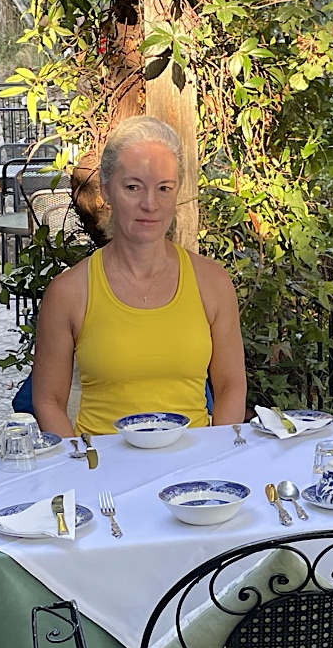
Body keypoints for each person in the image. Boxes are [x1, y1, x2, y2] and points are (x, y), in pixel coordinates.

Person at [30, 116, 247, 437]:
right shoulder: (70, 292)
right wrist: (77, 467)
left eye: (164, 188)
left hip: (191, 475)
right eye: (133, 187)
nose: (150, 204)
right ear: (106, 190)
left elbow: (230, 386)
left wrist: (214, 457)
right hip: (104, 476)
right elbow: (48, 400)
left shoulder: (212, 283)